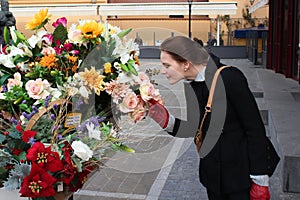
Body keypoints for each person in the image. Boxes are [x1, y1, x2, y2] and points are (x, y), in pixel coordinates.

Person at [149, 36, 280, 200]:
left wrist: (260, 180)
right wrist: (162, 117)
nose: (163, 71)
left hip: (240, 180)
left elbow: (254, 129)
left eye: (167, 65)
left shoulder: (230, 78)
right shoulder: (192, 84)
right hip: (213, 178)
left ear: (186, 64)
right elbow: (195, 127)